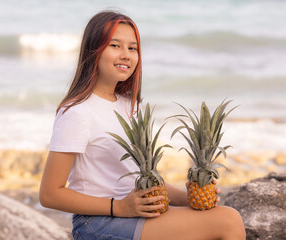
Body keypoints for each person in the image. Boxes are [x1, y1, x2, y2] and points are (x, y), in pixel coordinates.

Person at [39, 10, 246, 240]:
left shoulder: (131, 106)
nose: (126, 55)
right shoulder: (77, 112)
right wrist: (118, 207)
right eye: (115, 45)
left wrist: (188, 197)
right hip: (97, 223)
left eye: (133, 48)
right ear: (93, 50)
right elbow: (49, 194)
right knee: (228, 221)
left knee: (222, 213)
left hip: (134, 214)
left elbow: (138, 177)